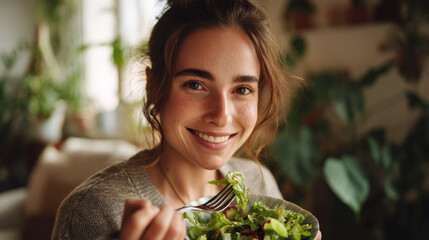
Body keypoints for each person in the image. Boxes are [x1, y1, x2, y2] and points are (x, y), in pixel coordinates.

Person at [52, 0, 322, 239]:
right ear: (153, 88)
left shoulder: (257, 184)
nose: (222, 115)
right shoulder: (95, 211)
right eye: (195, 85)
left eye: (242, 90)